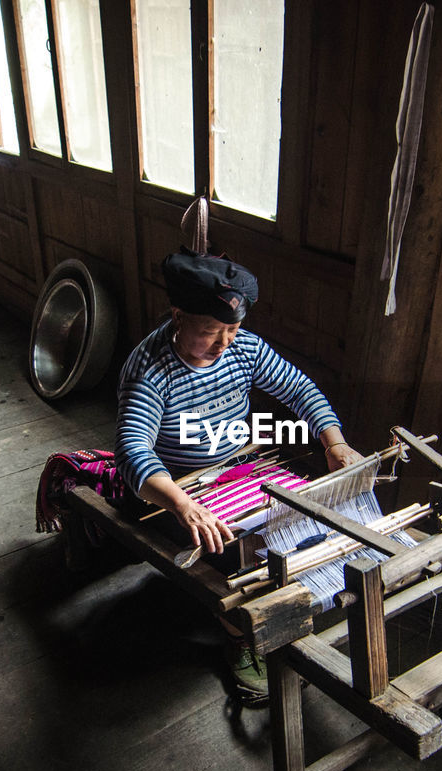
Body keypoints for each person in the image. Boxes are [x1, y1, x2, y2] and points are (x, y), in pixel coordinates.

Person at [114, 248, 363, 700]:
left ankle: (289, 607)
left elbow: (298, 387)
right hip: (176, 485)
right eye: (210, 331)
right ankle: (240, 640)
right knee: (237, 552)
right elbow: (133, 448)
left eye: (233, 329)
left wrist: (335, 442)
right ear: (177, 317)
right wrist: (182, 503)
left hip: (236, 470)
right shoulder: (149, 368)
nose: (224, 342)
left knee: (307, 517)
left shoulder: (244, 348)